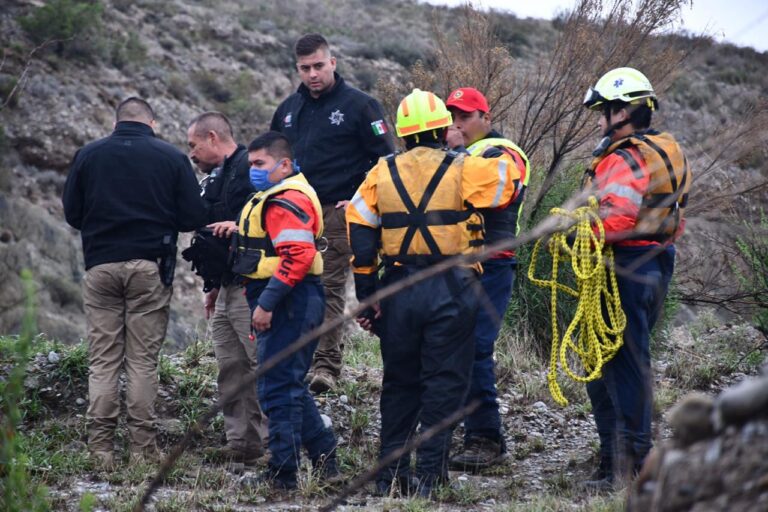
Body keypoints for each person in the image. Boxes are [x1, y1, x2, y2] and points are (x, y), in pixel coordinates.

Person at [346, 89, 520, 496]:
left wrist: (369, 295)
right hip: (453, 287)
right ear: (444, 128)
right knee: (445, 381)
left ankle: (390, 476)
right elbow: (507, 188)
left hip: (399, 287)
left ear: (403, 135)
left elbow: (360, 231)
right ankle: (430, 477)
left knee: (400, 382)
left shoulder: (380, 172)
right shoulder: (466, 167)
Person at [62, 97, 207, 469]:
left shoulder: (88, 155)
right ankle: (143, 450)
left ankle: (101, 450)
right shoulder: (171, 158)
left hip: (100, 267)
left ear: (117, 122)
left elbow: (73, 215)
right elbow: (192, 215)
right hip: (149, 267)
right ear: (152, 123)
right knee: (142, 361)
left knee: (104, 361)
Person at [581, 67, 691, 489]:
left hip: (626, 265)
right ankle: (614, 459)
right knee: (614, 361)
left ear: (622, 111)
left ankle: (629, 467)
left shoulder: (623, 158)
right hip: (658, 259)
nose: (597, 121)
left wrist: (577, 232)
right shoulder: (665, 148)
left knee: (623, 364)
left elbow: (618, 219)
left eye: (602, 112)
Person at [271, 33, 395, 393]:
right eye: (305, 68)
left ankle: (326, 366)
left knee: (328, 287)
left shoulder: (360, 106)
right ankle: (297, 360)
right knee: (291, 284)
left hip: (337, 211)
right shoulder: (288, 110)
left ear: (333, 63)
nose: (312, 74)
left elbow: (385, 159)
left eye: (318, 66)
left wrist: (358, 198)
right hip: (294, 212)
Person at [224, 131, 338, 490]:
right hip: (291, 296)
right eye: (251, 164)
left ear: (284, 164)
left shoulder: (286, 198)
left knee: (277, 388)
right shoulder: (280, 194)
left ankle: (283, 473)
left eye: (260, 164)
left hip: (289, 298)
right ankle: (325, 460)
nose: (253, 171)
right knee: (286, 383)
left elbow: (299, 256)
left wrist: (267, 304)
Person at [444, 87, 530, 472]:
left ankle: (486, 437)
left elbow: (494, 193)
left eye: (464, 116)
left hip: (492, 264)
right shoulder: (462, 155)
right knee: (450, 345)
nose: (457, 123)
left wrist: (448, 161)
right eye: (452, 117)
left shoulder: (504, 153)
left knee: (476, 346)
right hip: (457, 264)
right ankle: (455, 431)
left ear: (485, 117)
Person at [184, 112, 267, 465]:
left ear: (213, 137)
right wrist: (212, 285)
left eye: (194, 144)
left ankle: (273, 445)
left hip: (253, 286)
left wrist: (238, 226)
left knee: (259, 365)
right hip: (226, 286)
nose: (191, 153)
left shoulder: (254, 171)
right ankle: (241, 443)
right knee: (230, 366)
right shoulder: (214, 180)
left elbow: (273, 219)